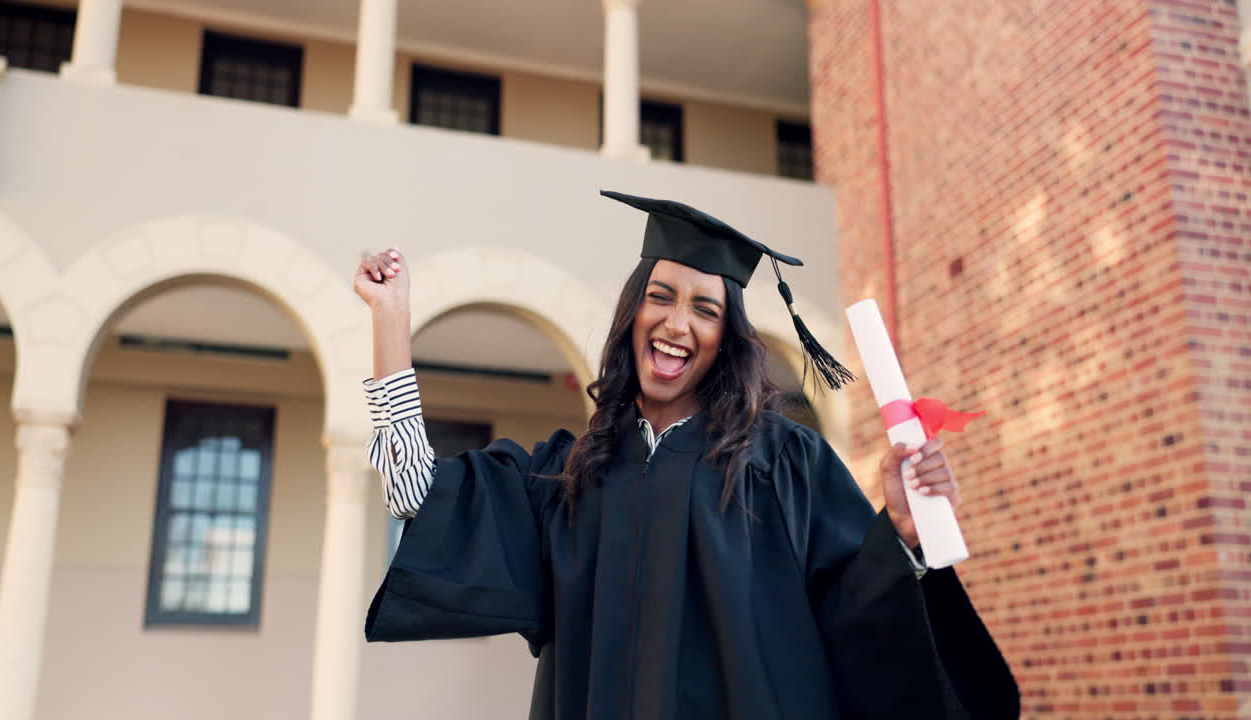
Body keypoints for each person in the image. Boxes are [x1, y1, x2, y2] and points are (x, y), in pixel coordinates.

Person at [355, 191, 1020, 719]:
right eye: (661, 297)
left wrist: (901, 535)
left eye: (705, 309)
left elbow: (857, 620)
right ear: (633, 314)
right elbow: (413, 489)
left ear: (725, 338)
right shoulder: (570, 474)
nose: (677, 324)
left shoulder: (785, 464)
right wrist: (390, 319)